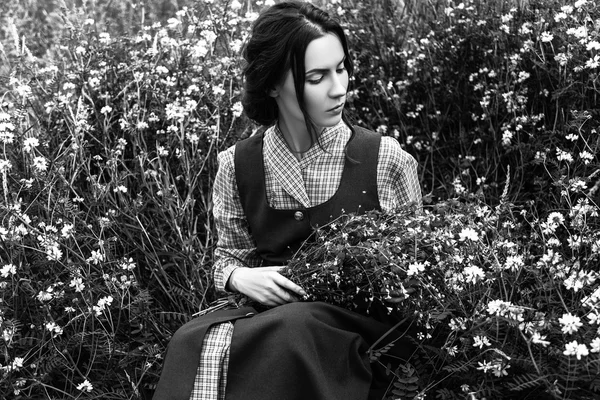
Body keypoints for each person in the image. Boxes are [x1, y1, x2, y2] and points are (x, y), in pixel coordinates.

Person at [153, 1, 422, 399]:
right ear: (274, 84)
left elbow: (413, 275)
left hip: (358, 330)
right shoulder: (237, 164)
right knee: (192, 340)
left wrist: (396, 281)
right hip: (268, 317)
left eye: (342, 68)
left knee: (292, 334)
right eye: (317, 77)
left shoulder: (384, 160)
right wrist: (237, 277)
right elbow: (229, 256)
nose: (339, 88)